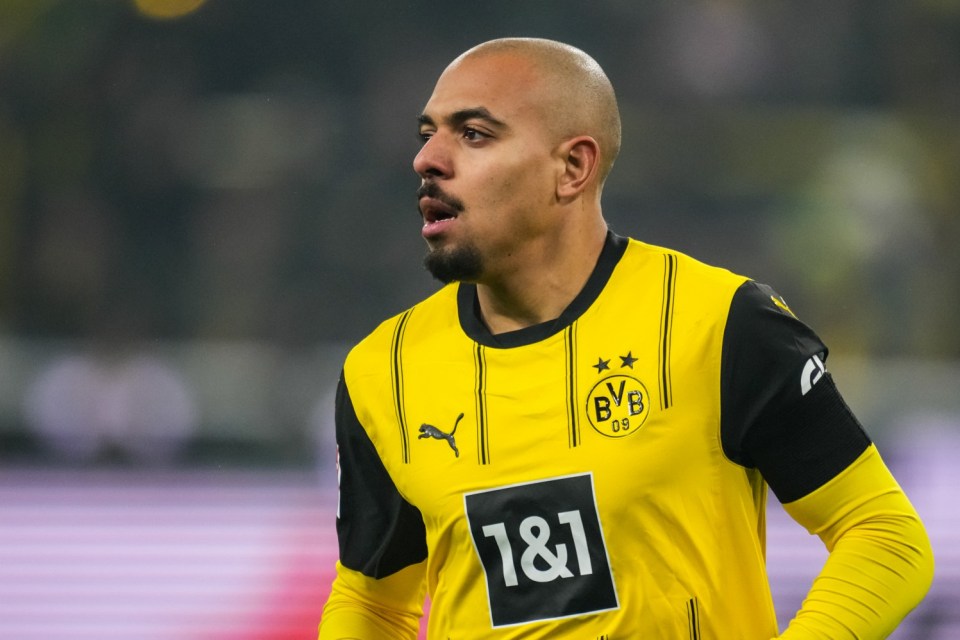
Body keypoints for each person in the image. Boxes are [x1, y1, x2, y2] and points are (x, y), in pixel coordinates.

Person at [318, 37, 934, 639]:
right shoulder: (385, 372)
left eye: (473, 134)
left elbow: (883, 535)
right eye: (427, 134)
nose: (428, 160)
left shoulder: (717, 324)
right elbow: (371, 603)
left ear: (573, 168)